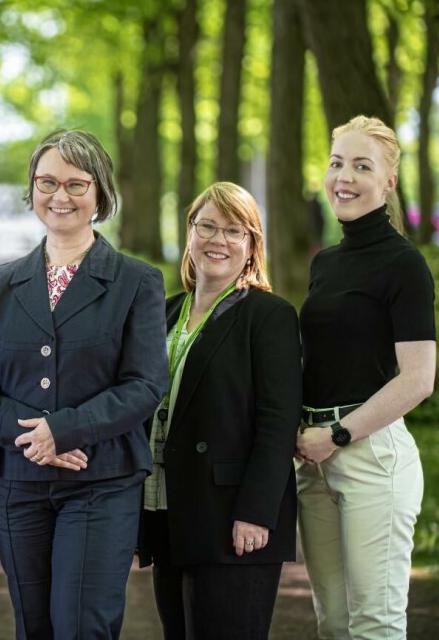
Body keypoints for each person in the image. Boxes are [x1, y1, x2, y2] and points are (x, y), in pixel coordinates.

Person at [0, 129, 169, 640]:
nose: (61, 195)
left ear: (101, 195)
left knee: (82, 627)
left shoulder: (137, 281)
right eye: (47, 182)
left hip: (101, 481)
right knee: (34, 626)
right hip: (18, 482)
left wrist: (66, 431)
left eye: (77, 184)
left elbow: (144, 384)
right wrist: (35, 438)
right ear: (31, 192)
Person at [137, 182, 302, 639]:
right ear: (189, 233)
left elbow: (277, 423)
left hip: (233, 518)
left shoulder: (268, 316)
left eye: (234, 231)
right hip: (168, 508)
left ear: (252, 246)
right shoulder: (165, 313)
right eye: (207, 226)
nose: (217, 240)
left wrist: (256, 511)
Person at [296, 115, 436, 639]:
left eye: (361, 165)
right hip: (314, 461)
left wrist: (337, 435)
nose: (344, 177)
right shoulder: (326, 263)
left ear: (388, 181)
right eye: (336, 164)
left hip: (371, 457)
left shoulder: (404, 265)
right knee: (333, 623)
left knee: (374, 625)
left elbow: (419, 379)